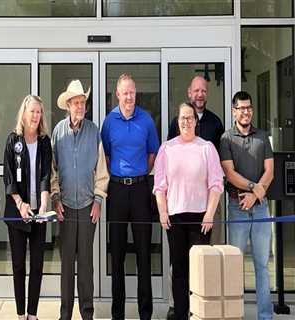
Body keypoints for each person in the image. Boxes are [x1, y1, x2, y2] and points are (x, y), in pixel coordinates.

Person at [153, 102, 224, 320]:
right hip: (174, 217)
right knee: (180, 271)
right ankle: (181, 314)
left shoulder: (207, 148)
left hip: (201, 218)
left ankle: (199, 314)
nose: (186, 122)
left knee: (199, 271)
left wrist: (210, 214)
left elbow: (216, 184)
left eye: (190, 118)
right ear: (177, 121)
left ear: (195, 121)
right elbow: (159, 185)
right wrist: (163, 212)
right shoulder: (167, 148)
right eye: (182, 118)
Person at [101, 73, 159, 320]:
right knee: (118, 255)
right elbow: (105, 155)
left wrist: (139, 175)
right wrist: (120, 175)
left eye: (132, 92)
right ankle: (118, 314)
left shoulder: (146, 120)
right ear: (117, 94)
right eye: (125, 93)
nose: (129, 97)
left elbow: (152, 153)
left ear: (136, 93)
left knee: (144, 253)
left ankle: (145, 313)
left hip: (140, 190)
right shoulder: (109, 121)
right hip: (116, 190)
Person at [51, 80, 109, 320]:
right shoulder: (57, 132)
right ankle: (65, 314)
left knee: (85, 264)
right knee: (67, 266)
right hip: (64, 207)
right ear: (68, 105)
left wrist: (98, 200)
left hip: (87, 207)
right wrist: (55, 199)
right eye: (76, 103)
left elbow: (102, 170)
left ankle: (87, 314)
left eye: (83, 102)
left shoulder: (94, 131)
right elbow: (52, 171)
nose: (80, 107)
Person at [220, 91, 274, 320]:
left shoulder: (262, 136)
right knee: (235, 265)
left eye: (248, 107)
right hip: (237, 207)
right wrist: (254, 189)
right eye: (241, 108)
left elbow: (269, 171)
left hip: (260, 207)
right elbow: (230, 174)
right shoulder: (226, 139)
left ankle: (265, 316)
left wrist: (255, 195)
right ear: (234, 111)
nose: (246, 112)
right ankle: (235, 315)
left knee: (262, 265)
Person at [3, 95, 52, 320]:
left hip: (38, 213)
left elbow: (45, 176)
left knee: (38, 265)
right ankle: (21, 314)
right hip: (17, 212)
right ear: (24, 113)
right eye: (32, 111)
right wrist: (20, 204)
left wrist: (42, 205)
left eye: (39, 112)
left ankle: (33, 314)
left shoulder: (44, 142)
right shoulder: (13, 140)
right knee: (18, 266)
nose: (35, 116)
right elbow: (9, 177)